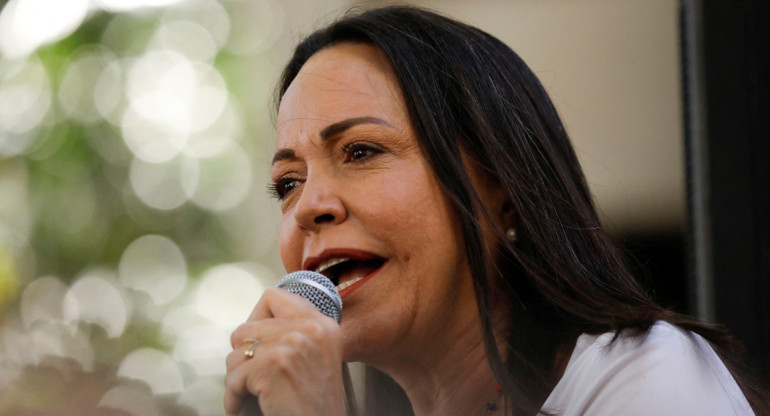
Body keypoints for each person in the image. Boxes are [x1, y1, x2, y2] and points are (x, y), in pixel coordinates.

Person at [225, 6, 768, 416]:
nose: (308, 207)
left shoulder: (646, 375)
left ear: (503, 184)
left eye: (362, 151)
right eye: (287, 183)